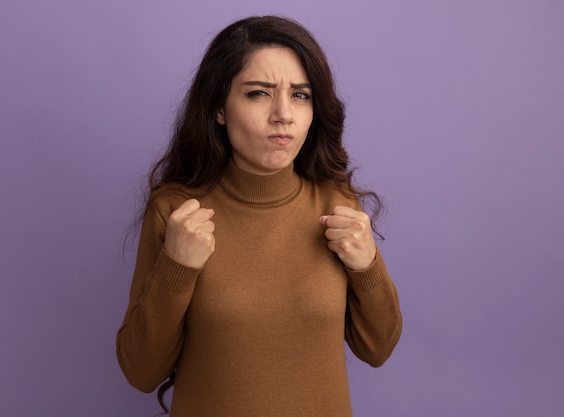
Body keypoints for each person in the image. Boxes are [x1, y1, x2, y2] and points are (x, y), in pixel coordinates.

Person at [116, 15, 402, 417]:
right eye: (259, 94)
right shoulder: (176, 212)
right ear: (218, 108)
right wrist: (175, 269)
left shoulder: (338, 207)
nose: (283, 114)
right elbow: (141, 372)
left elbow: (379, 349)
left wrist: (367, 267)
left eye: (300, 95)